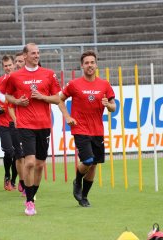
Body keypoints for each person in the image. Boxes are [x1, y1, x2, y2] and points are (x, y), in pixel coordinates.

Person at [5, 43, 61, 216]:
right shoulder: (15, 76)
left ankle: (31, 195)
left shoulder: (48, 74)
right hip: (25, 125)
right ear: (25, 55)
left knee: (40, 164)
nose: (37, 55)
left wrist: (43, 97)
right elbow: (7, 96)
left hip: (44, 125)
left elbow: (57, 98)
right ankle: (29, 201)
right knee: (29, 162)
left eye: (38, 53)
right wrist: (17, 102)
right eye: (33, 53)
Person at [58, 50, 116, 207]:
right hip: (80, 128)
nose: (90, 65)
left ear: (96, 64)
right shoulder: (74, 84)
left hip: (97, 130)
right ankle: (77, 182)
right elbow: (60, 100)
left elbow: (113, 107)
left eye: (92, 62)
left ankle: (84, 196)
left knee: (94, 164)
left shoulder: (104, 84)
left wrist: (108, 105)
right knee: (88, 160)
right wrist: (68, 117)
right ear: (82, 66)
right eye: (86, 63)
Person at [0, 55, 24, 191]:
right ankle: (7, 175)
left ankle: (14, 180)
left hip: (18, 122)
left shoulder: (19, 80)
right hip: (4, 122)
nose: (8, 67)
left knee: (19, 153)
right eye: (5, 65)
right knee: (9, 152)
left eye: (10, 65)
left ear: (14, 65)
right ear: (2, 67)